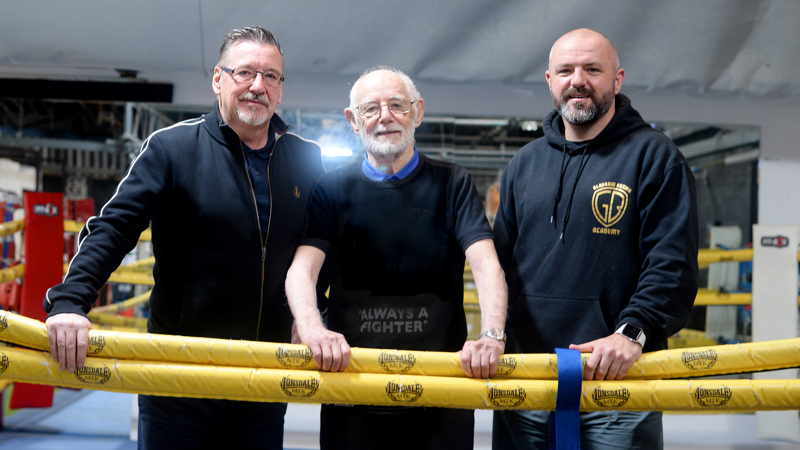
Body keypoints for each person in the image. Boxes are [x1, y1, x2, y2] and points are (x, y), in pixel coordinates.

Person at [42, 26, 325, 449]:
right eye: (245, 72)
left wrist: (314, 315)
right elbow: (114, 227)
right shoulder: (172, 148)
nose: (257, 86)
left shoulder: (306, 158)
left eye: (271, 76)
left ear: (280, 90)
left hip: (263, 379)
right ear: (218, 79)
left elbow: (320, 244)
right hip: (178, 378)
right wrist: (70, 301)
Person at [492, 28, 699, 449]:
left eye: (592, 69)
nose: (578, 81)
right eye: (565, 70)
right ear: (550, 81)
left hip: (616, 379)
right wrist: (493, 336)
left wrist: (632, 333)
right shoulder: (524, 164)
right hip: (527, 376)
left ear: (617, 80)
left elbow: (671, 262)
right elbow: (499, 264)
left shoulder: (655, 158)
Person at [285, 66, 508, 450]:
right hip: (352, 388)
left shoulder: (453, 182)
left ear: (417, 112)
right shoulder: (331, 188)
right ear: (353, 120)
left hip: (440, 393)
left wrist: (491, 336)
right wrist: (311, 328)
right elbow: (302, 269)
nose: (385, 116)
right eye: (371, 108)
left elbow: (486, 265)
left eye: (397, 105)